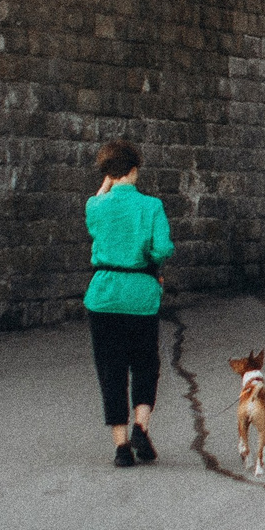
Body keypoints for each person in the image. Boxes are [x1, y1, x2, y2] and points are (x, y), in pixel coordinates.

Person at [83, 139, 173, 467]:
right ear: (134, 170)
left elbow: (96, 206)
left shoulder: (95, 207)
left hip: (103, 295)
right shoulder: (151, 207)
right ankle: (141, 426)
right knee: (145, 363)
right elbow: (162, 249)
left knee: (111, 370)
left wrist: (106, 184)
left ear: (107, 174)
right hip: (140, 295)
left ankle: (121, 447)